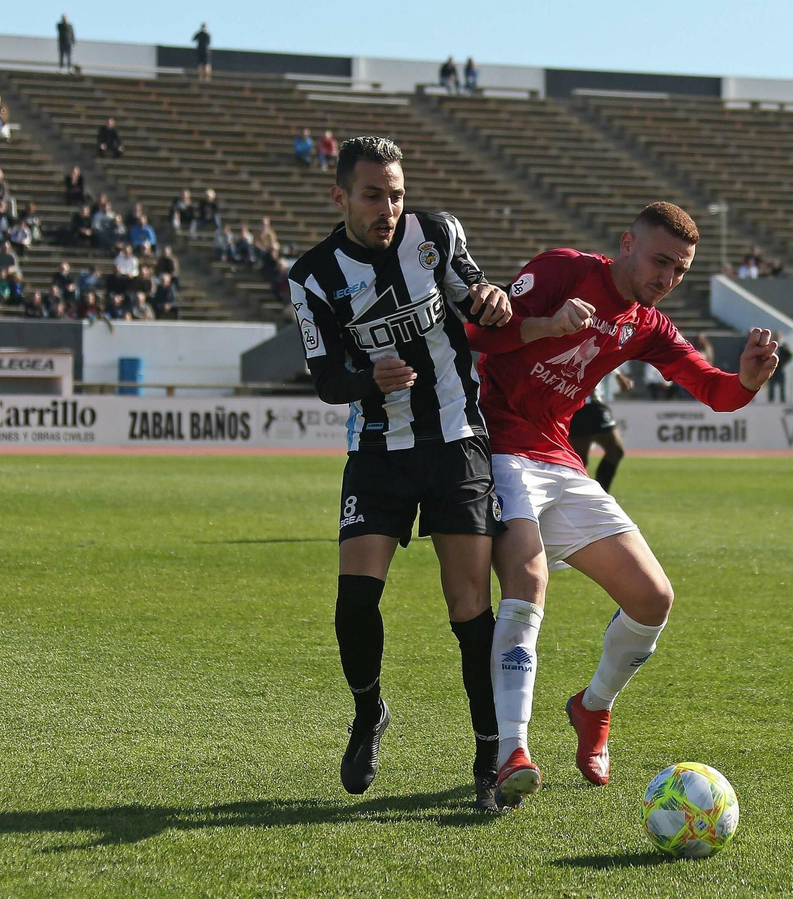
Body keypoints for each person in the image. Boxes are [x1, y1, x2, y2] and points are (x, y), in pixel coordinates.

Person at [463, 202, 779, 803]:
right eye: (660, 261)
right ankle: (512, 752)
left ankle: (592, 707)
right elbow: (474, 332)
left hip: (558, 457)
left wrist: (747, 381)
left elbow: (713, 392)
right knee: (529, 581)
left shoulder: (648, 325)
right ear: (626, 243)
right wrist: (546, 323)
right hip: (495, 445)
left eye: (680, 271)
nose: (667, 279)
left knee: (652, 597)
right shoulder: (562, 270)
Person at [286, 135, 514, 810]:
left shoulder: (435, 233)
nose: (387, 207)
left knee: (470, 610)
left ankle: (487, 758)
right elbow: (326, 378)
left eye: (395, 193)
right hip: (380, 449)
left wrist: (490, 299)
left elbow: (471, 294)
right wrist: (368, 379)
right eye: (372, 194)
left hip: (457, 443)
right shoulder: (313, 276)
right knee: (355, 599)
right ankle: (369, 710)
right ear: (340, 197)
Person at [568, 369, 636, 491]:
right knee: (580, 459)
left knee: (613, 451)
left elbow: (603, 351)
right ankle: (588, 496)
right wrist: (618, 375)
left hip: (591, 402)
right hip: (581, 400)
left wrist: (618, 374)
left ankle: (597, 493)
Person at [766, 331, 793, 402]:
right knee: (771, 385)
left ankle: (782, 400)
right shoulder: (770, 345)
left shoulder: (783, 345)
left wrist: (783, 362)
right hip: (772, 368)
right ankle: (770, 400)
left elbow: (789, 355)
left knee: (782, 386)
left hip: (780, 368)